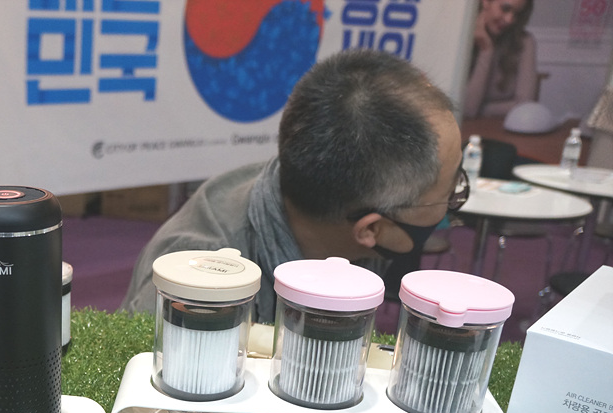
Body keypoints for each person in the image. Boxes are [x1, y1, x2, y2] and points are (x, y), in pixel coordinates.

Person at [120, 49, 467, 323]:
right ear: (371, 230)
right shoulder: (192, 288)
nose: (456, 196)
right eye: (450, 192)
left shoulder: (337, 201)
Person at [463, 0, 537, 119]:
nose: (509, 20)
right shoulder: (460, 39)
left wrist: (480, 109)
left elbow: (524, 105)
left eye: (517, 14)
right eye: (505, 9)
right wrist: (486, 50)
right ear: (485, 2)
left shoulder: (525, 42)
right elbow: (467, 110)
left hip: (502, 128)